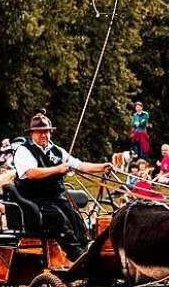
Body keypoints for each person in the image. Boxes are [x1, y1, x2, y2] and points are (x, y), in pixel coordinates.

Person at [12, 109, 112, 260]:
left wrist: (101, 167)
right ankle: (76, 254)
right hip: (34, 199)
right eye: (39, 132)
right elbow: (30, 173)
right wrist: (58, 169)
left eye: (46, 131)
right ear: (32, 133)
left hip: (55, 196)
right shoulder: (24, 150)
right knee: (58, 217)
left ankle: (87, 252)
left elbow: (80, 165)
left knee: (76, 219)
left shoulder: (57, 151)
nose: (44, 135)